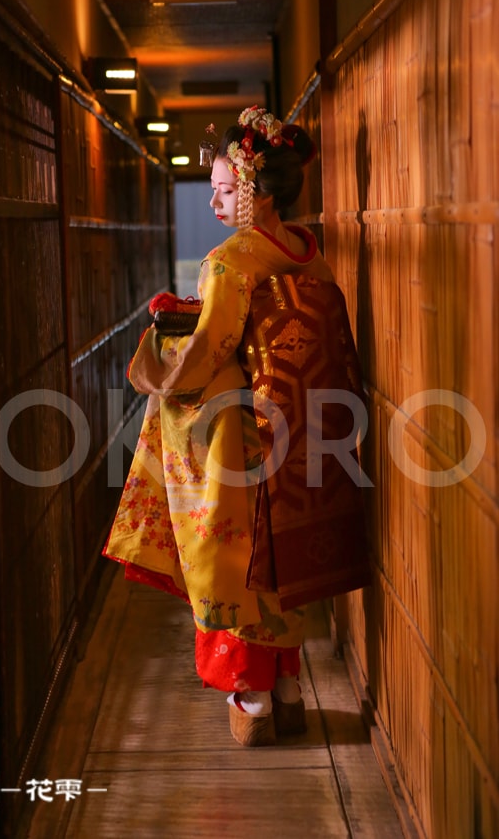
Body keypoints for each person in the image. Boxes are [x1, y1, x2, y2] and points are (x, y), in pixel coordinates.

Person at [103, 106, 370, 747]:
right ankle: (287, 688)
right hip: (298, 428)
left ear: (258, 191)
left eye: (226, 189)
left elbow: (211, 350)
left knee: (229, 562)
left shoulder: (231, 260)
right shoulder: (308, 252)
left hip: (237, 433)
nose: (217, 200)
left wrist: (160, 366)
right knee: (282, 562)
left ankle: (249, 701)